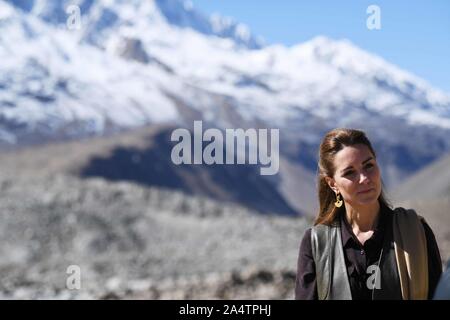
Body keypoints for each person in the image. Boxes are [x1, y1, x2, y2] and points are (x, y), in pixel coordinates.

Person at [295, 128, 442, 300]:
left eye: (369, 165)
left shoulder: (414, 232)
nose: (364, 178)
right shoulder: (317, 244)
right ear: (333, 184)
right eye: (350, 172)